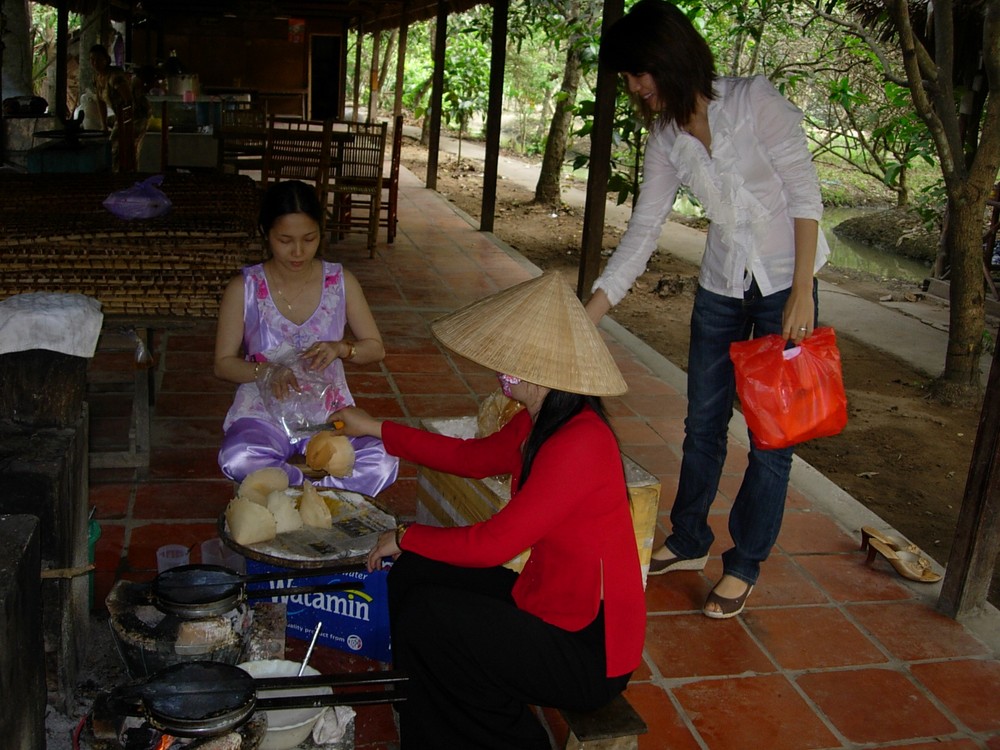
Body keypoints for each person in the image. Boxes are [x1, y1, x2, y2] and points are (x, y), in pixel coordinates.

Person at [585, 0, 830, 619]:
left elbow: (804, 191)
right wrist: (594, 309)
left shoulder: (753, 102)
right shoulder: (665, 138)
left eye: (641, 73)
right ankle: (690, 537)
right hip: (722, 284)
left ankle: (745, 562)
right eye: (630, 78)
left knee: (773, 437)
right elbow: (643, 229)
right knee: (702, 423)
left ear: (670, 57)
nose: (638, 87)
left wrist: (802, 289)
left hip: (784, 285)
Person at [334, 272, 646, 749]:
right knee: (414, 575)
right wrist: (375, 428)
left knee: (431, 615)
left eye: (512, 357)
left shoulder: (581, 441)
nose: (500, 366)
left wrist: (404, 534)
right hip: (547, 600)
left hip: (589, 648)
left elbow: (494, 544)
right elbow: (469, 459)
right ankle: (431, 711)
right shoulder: (541, 418)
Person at [214, 179, 398, 495]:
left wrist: (342, 348)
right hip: (264, 413)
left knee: (382, 460)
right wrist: (266, 371)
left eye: (309, 239)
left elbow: (375, 349)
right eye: (285, 240)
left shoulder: (340, 282)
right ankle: (320, 496)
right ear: (265, 233)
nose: (298, 252)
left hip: (330, 413)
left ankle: (302, 497)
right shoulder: (244, 288)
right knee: (239, 456)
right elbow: (223, 364)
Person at [88, 43, 150, 171]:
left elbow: (128, 99)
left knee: (117, 146)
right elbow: (100, 102)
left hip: (137, 114)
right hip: (120, 115)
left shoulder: (114, 77)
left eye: (99, 59)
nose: (95, 63)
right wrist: (103, 124)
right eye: (92, 60)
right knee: (121, 146)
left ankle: (121, 175)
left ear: (106, 60)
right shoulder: (97, 78)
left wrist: (125, 124)